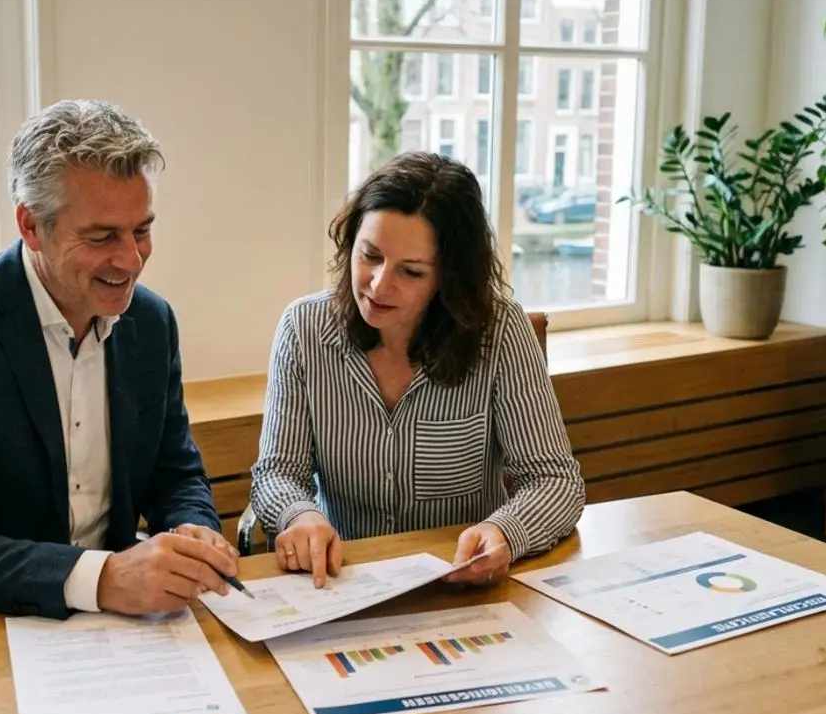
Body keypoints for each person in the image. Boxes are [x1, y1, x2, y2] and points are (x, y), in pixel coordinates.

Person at [0, 99, 239, 618]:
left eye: (141, 230)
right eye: (102, 237)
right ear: (31, 226)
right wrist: (98, 579)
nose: (130, 259)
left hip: (103, 633)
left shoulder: (151, 323)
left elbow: (174, 472)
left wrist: (192, 530)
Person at [249, 151, 585, 588]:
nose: (379, 284)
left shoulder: (500, 331)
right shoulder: (303, 329)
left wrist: (505, 531)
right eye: (369, 255)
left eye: (411, 272)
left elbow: (554, 479)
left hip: (461, 586)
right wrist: (300, 514)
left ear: (449, 278)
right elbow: (277, 473)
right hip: (343, 585)